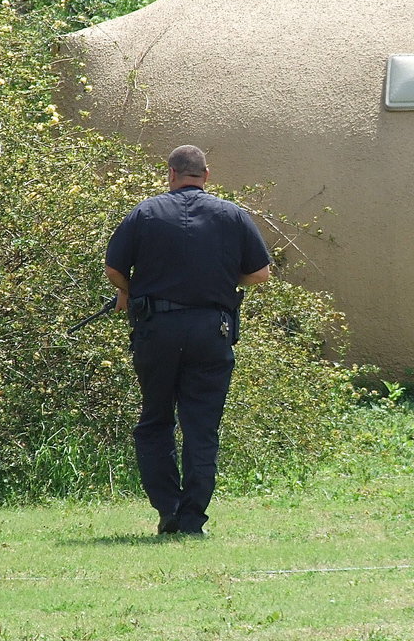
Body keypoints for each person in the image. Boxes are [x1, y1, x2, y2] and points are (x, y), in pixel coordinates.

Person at [105, 145, 271, 536]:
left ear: (171, 173)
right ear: (206, 175)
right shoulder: (233, 214)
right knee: (201, 426)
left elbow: (114, 268)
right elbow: (261, 273)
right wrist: (226, 283)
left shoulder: (145, 212)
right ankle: (193, 519)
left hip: (157, 329)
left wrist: (129, 294)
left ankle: (168, 510)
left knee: (155, 421)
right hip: (211, 330)